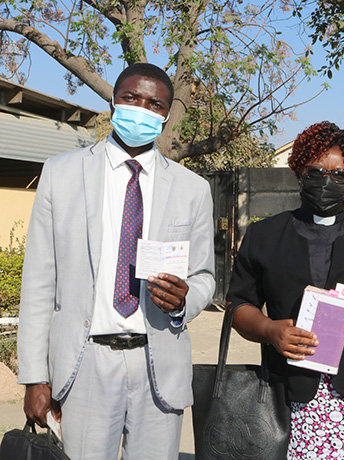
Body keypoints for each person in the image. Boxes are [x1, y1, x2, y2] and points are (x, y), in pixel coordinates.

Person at [17, 63, 215, 459]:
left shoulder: (193, 189)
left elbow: (205, 277)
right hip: (84, 363)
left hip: (157, 362)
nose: (141, 108)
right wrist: (35, 378)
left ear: (165, 113)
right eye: (131, 98)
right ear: (113, 101)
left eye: (154, 103)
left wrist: (183, 300)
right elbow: (39, 281)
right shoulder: (62, 173)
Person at [226, 121, 344, 459]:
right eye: (315, 172)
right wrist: (270, 330)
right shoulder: (264, 236)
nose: (326, 181)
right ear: (299, 172)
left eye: (339, 175)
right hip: (290, 394)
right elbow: (238, 305)